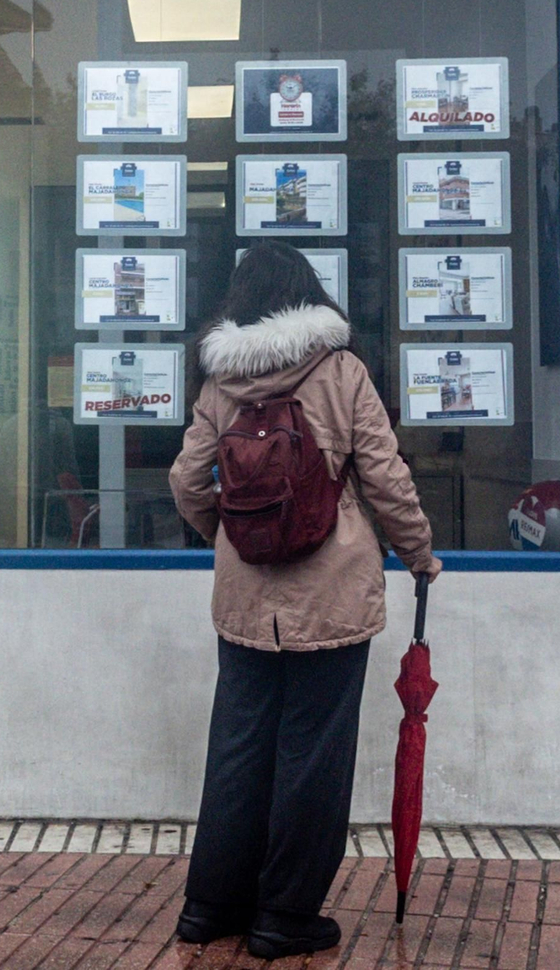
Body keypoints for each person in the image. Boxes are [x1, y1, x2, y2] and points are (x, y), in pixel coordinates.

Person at [168, 241, 442, 960]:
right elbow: (384, 476)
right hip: (332, 596)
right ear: (307, 294)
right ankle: (284, 916)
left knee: (238, 749)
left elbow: (187, 482)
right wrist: (418, 553)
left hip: (245, 601)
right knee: (312, 756)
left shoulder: (221, 383)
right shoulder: (341, 372)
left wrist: (229, 536)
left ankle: (210, 906)